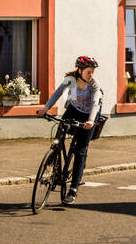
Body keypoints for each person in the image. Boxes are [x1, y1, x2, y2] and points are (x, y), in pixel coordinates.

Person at [36, 55, 103, 204]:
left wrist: (91, 120)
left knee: (80, 150)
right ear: (79, 70)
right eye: (88, 71)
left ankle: (72, 190)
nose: (91, 74)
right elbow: (57, 93)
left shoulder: (94, 85)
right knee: (60, 131)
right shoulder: (70, 80)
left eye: (93, 71)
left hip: (89, 115)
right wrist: (45, 108)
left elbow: (94, 104)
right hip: (73, 110)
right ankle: (54, 156)